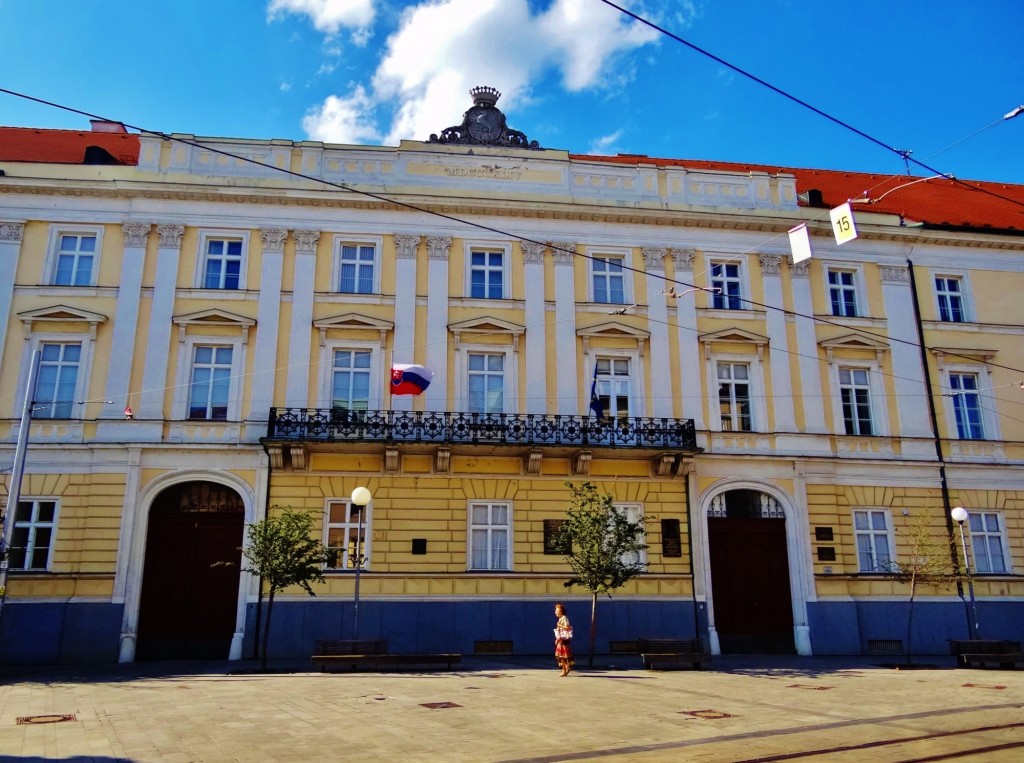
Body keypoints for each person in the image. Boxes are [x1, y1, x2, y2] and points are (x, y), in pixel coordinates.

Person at [554, 602, 575, 676]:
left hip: (564, 640)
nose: (555, 612)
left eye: (557, 611)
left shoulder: (564, 618)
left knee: (562, 655)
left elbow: (567, 627)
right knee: (561, 655)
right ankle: (566, 668)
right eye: (555, 611)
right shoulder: (561, 619)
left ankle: (565, 669)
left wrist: (559, 625)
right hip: (561, 639)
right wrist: (557, 638)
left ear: (561, 611)